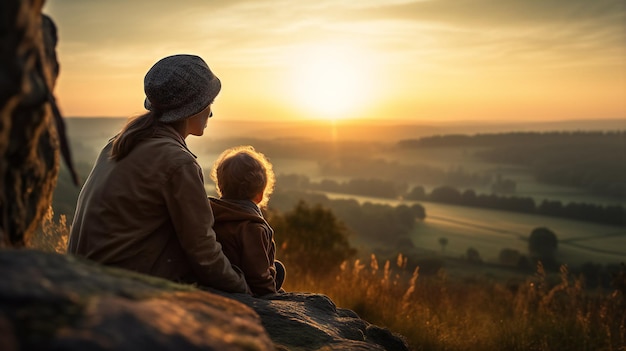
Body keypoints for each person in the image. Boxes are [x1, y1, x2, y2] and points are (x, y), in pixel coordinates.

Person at [68, 54, 249, 294]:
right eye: (209, 105)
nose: (211, 114)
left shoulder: (119, 143)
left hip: (83, 278)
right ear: (191, 110)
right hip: (121, 290)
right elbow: (203, 253)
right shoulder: (178, 163)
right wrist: (245, 291)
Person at [209, 145, 286, 296]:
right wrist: (274, 296)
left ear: (220, 187)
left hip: (219, 279)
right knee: (279, 270)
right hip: (246, 287)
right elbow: (258, 275)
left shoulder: (210, 213)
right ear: (260, 195)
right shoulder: (252, 227)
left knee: (278, 268)